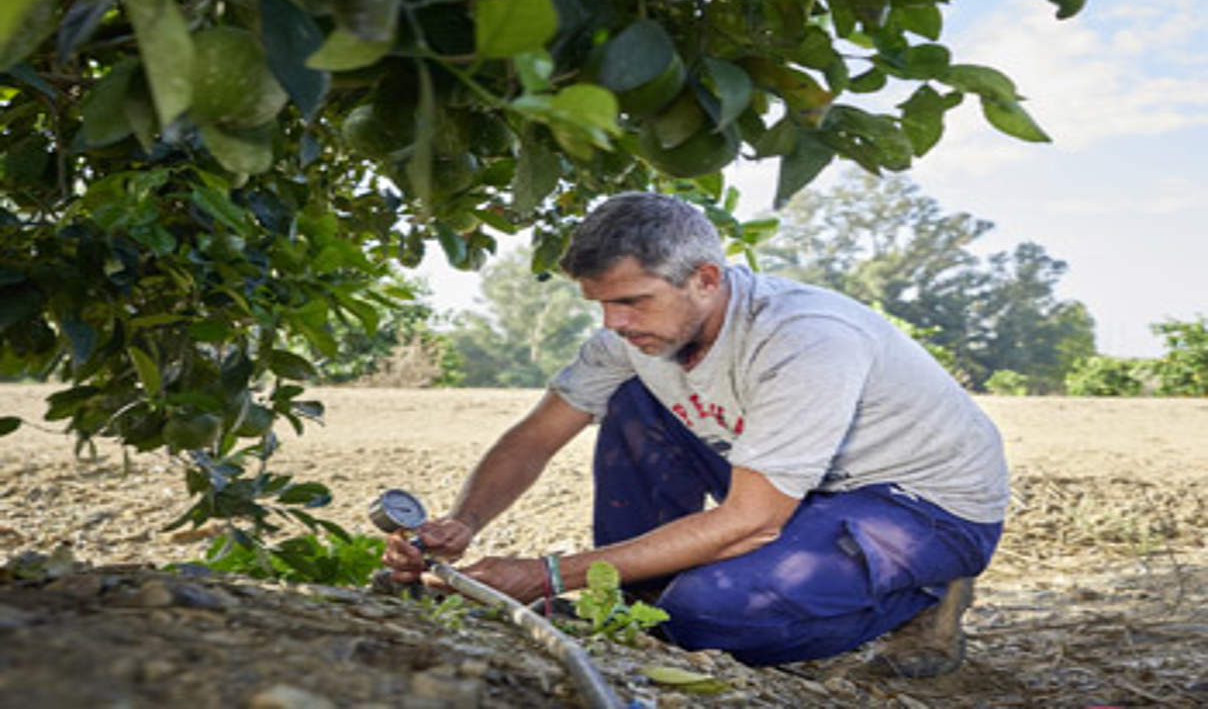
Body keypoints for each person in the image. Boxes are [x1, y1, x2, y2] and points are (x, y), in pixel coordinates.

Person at [383, 191, 1009, 675]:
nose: (615, 323)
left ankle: (924, 593)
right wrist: (462, 522)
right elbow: (536, 436)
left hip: (916, 506)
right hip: (796, 482)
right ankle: (633, 596)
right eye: (601, 305)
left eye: (633, 301)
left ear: (706, 279)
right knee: (633, 399)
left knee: (709, 616)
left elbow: (752, 521)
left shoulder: (804, 339)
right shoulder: (631, 339)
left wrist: (549, 575)